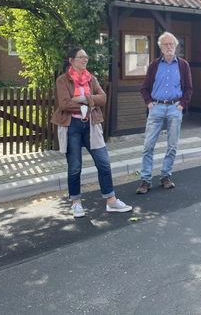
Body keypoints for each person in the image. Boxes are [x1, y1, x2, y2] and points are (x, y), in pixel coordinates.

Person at [51, 47, 132, 218]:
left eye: (86, 57)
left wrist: (83, 99)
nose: (85, 60)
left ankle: (111, 201)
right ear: (71, 60)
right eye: (81, 57)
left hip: (91, 124)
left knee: (104, 163)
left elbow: (102, 98)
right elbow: (64, 104)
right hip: (71, 125)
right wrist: (88, 104)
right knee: (74, 167)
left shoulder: (91, 79)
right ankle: (76, 203)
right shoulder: (62, 80)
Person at [137, 32, 193, 194]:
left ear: (176, 46)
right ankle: (146, 180)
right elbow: (144, 88)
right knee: (148, 145)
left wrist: (182, 105)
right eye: (165, 45)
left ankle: (165, 177)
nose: (169, 47)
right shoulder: (154, 65)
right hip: (156, 107)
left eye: (171, 44)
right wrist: (149, 104)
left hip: (175, 108)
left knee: (172, 145)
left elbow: (188, 89)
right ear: (160, 47)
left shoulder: (183, 65)